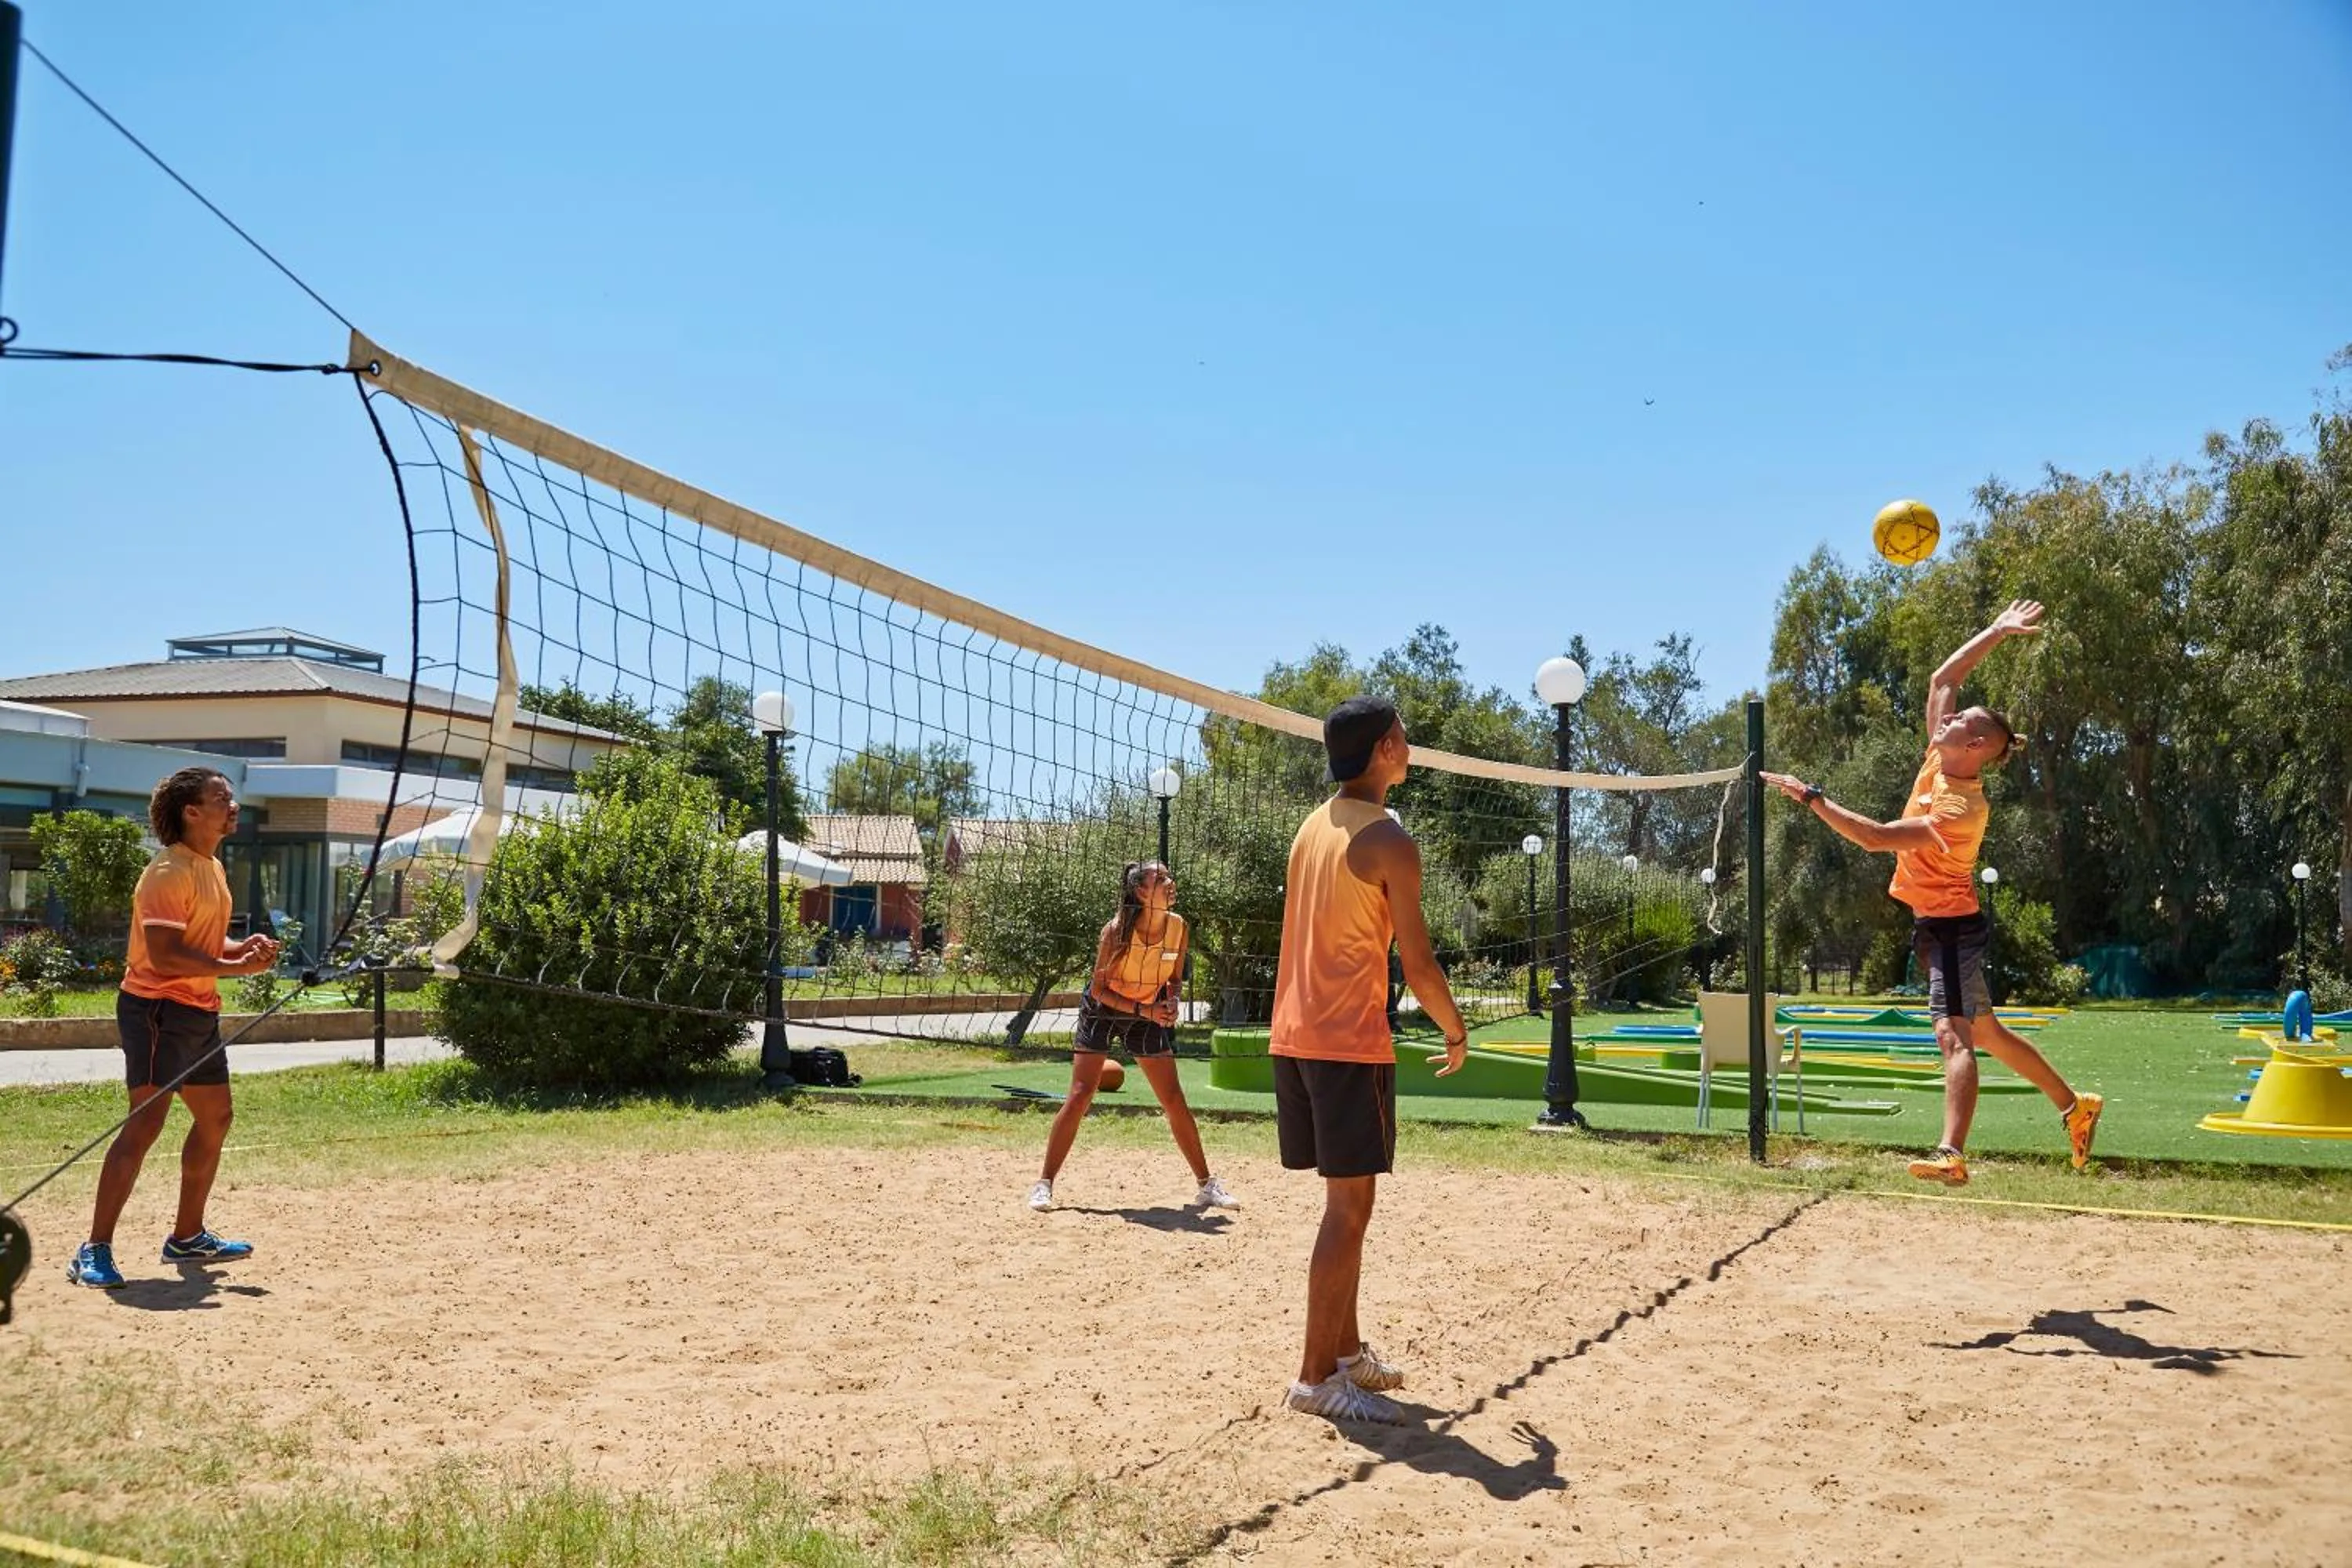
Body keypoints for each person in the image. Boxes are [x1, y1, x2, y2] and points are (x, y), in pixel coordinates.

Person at [1762, 599, 2101, 1186]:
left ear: (1975, 749)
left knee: (1955, 1035)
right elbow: (1944, 678)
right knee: (1989, 1032)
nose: (1944, 721)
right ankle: (2076, 1108)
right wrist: (1995, 631)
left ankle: (1952, 1152)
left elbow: (1873, 838)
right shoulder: (1941, 757)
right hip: (1939, 925)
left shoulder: (1958, 810)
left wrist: (1809, 796)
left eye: (1959, 723)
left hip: (1949, 930)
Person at [1272, 695, 1469, 1424]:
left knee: (1349, 1208)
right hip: (1346, 1042)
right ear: (1386, 747)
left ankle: (1348, 1355)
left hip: (1293, 1038)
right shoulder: (1388, 838)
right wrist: (1455, 1029)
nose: (1411, 743)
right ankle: (1315, 1379)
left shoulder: (1312, 826)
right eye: (1405, 735)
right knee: (1347, 1211)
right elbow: (1417, 963)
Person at [67, 768, 279, 1289]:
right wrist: (237, 968)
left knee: (216, 1118)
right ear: (192, 811)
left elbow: (200, 946)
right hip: (157, 1010)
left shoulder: (210, 866)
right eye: (221, 798)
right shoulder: (168, 872)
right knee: (144, 1125)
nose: (233, 806)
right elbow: (163, 957)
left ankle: (187, 1236)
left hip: (198, 1009)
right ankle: (93, 1249)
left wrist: (242, 948)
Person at [1029, 859, 1237, 1214]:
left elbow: (1173, 975)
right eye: (1161, 879)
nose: (1171, 883)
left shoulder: (1178, 926)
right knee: (1081, 1094)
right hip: (1104, 1008)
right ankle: (1044, 1184)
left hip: (1147, 1009)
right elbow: (1098, 989)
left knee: (1173, 1097)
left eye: (1169, 876)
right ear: (1142, 891)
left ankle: (1206, 1185)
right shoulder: (1116, 932)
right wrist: (1146, 1011)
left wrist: (1172, 1000)